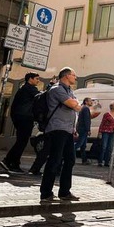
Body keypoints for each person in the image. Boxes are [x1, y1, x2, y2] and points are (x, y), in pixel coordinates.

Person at [39, 67, 82, 202]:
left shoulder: (70, 91)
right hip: (57, 129)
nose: (76, 78)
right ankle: (46, 193)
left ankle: (64, 192)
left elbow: (76, 107)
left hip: (68, 130)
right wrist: (75, 104)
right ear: (66, 76)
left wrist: (74, 126)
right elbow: (73, 104)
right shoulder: (57, 89)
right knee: (55, 160)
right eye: (74, 75)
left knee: (70, 160)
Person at [0, 72, 39, 173]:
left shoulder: (23, 88)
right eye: (36, 79)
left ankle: (14, 163)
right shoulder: (30, 89)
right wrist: (51, 86)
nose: (38, 81)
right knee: (22, 141)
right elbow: (40, 97)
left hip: (19, 117)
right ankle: (8, 161)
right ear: (30, 79)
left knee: (21, 141)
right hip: (25, 118)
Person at [75, 97, 101, 165]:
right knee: (79, 143)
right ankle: (68, 154)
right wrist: (88, 129)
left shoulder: (82, 108)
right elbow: (87, 120)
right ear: (86, 102)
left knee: (83, 146)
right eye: (90, 101)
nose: (91, 102)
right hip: (83, 129)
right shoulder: (86, 109)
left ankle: (84, 159)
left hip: (81, 128)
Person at [98, 101, 114, 167]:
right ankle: (100, 161)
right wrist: (100, 132)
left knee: (110, 147)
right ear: (111, 106)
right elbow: (102, 123)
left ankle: (107, 162)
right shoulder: (107, 114)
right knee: (104, 147)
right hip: (105, 131)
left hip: (112, 132)